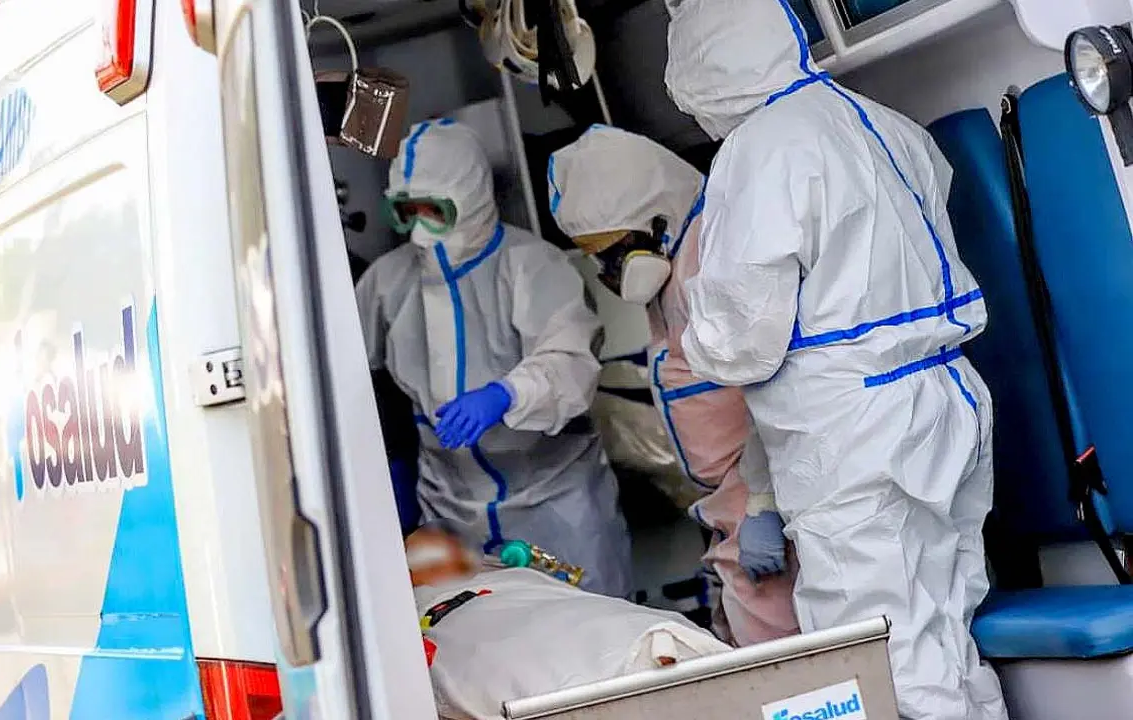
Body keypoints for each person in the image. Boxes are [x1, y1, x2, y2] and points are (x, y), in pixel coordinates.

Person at [662, 1, 1004, 718]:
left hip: (856, 434)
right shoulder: (885, 122)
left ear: (703, 70)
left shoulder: (761, 149)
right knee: (948, 637)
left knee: (879, 660)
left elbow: (741, 340)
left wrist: (691, 341)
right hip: (947, 398)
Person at [356, 118, 633, 598]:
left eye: (435, 212)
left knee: (591, 636)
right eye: (406, 212)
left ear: (473, 199)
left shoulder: (531, 267)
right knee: (468, 647)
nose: (420, 234)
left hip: (556, 503)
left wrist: (506, 394)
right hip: (447, 511)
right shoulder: (386, 283)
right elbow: (345, 372)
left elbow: (571, 360)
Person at [548, 124, 800, 647]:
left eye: (615, 250)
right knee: (749, 650)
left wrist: (761, 505)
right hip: (736, 500)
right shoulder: (677, 263)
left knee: (783, 662)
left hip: (768, 494)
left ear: (654, 214)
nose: (610, 270)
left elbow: (774, 390)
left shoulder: (712, 261)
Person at [406, 522, 729, 720]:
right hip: (554, 673)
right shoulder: (409, 620)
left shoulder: (515, 574)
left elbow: (568, 595)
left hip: (626, 639)